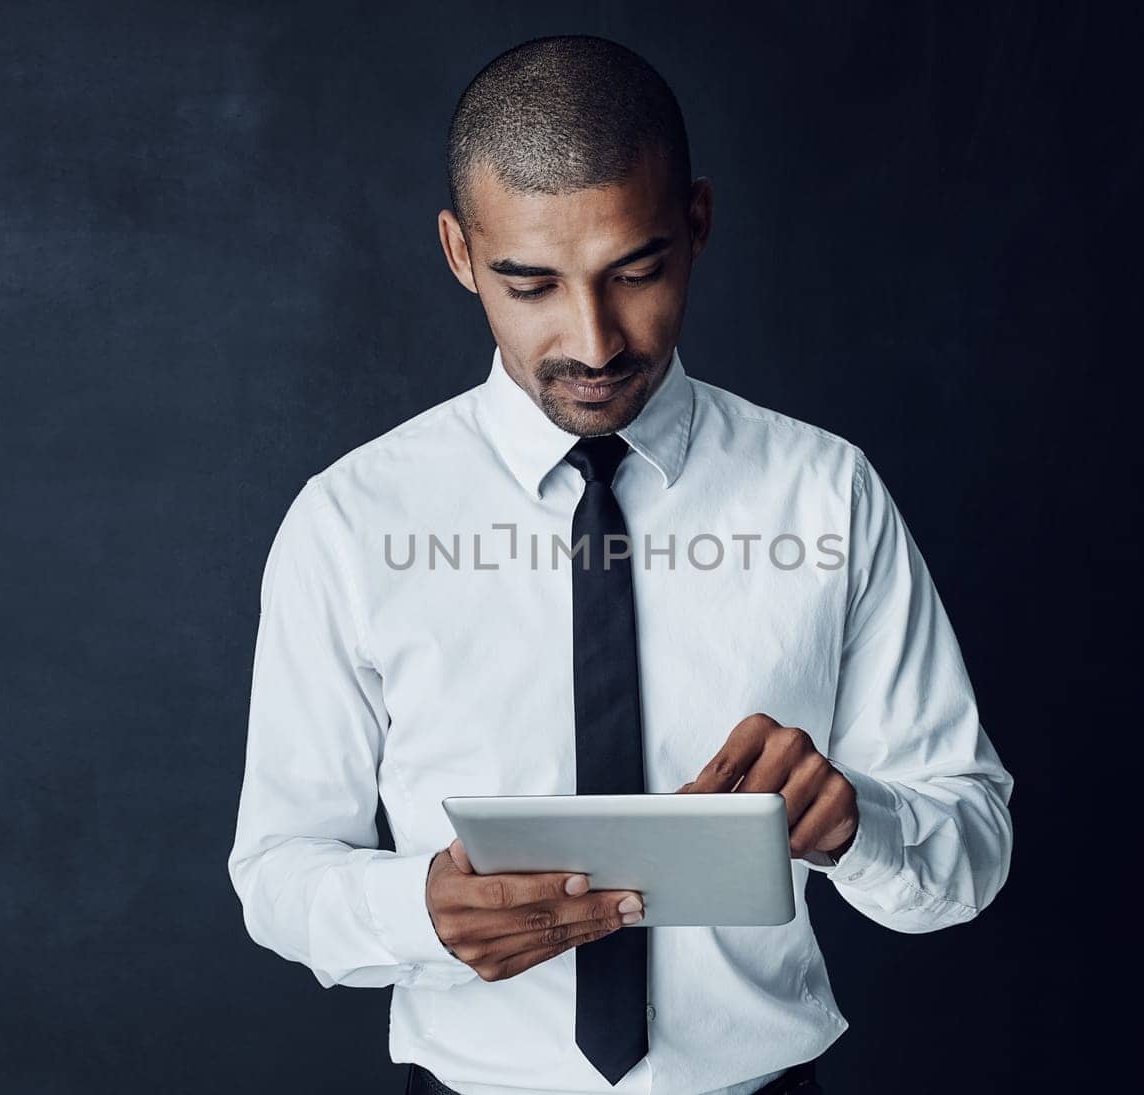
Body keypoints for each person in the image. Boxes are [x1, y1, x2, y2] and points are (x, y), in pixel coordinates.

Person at [227, 33, 1013, 1095]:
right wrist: (416, 910)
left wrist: (857, 820)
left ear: (695, 224)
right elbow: (277, 874)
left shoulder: (826, 494)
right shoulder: (349, 522)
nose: (593, 343)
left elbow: (969, 852)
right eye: (531, 285)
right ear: (461, 255)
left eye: (634, 272)